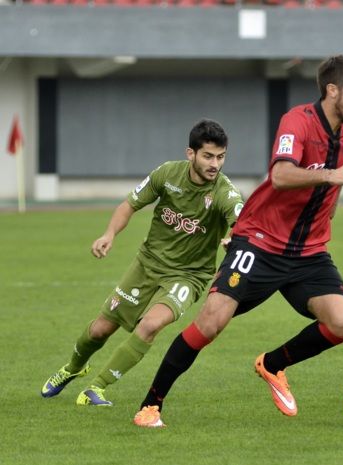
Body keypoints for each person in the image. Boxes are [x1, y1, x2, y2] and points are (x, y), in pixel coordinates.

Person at [132, 54, 343, 428]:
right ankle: (151, 405)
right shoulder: (298, 121)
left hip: (307, 252)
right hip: (260, 240)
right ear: (332, 89)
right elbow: (281, 175)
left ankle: (272, 364)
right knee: (211, 322)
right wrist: (332, 176)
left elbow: (333, 188)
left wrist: (329, 211)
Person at [41, 120, 244, 405]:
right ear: (191, 153)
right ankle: (73, 368)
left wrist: (234, 238)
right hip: (147, 265)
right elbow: (129, 204)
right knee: (100, 329)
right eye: (208, 156)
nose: (215, 164)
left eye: (221, 157)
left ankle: (97, 388)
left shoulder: (225, 192)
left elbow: (242, 221)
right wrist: (109, 234)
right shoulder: (167, 174)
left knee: (150, 325)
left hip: (188, 276)